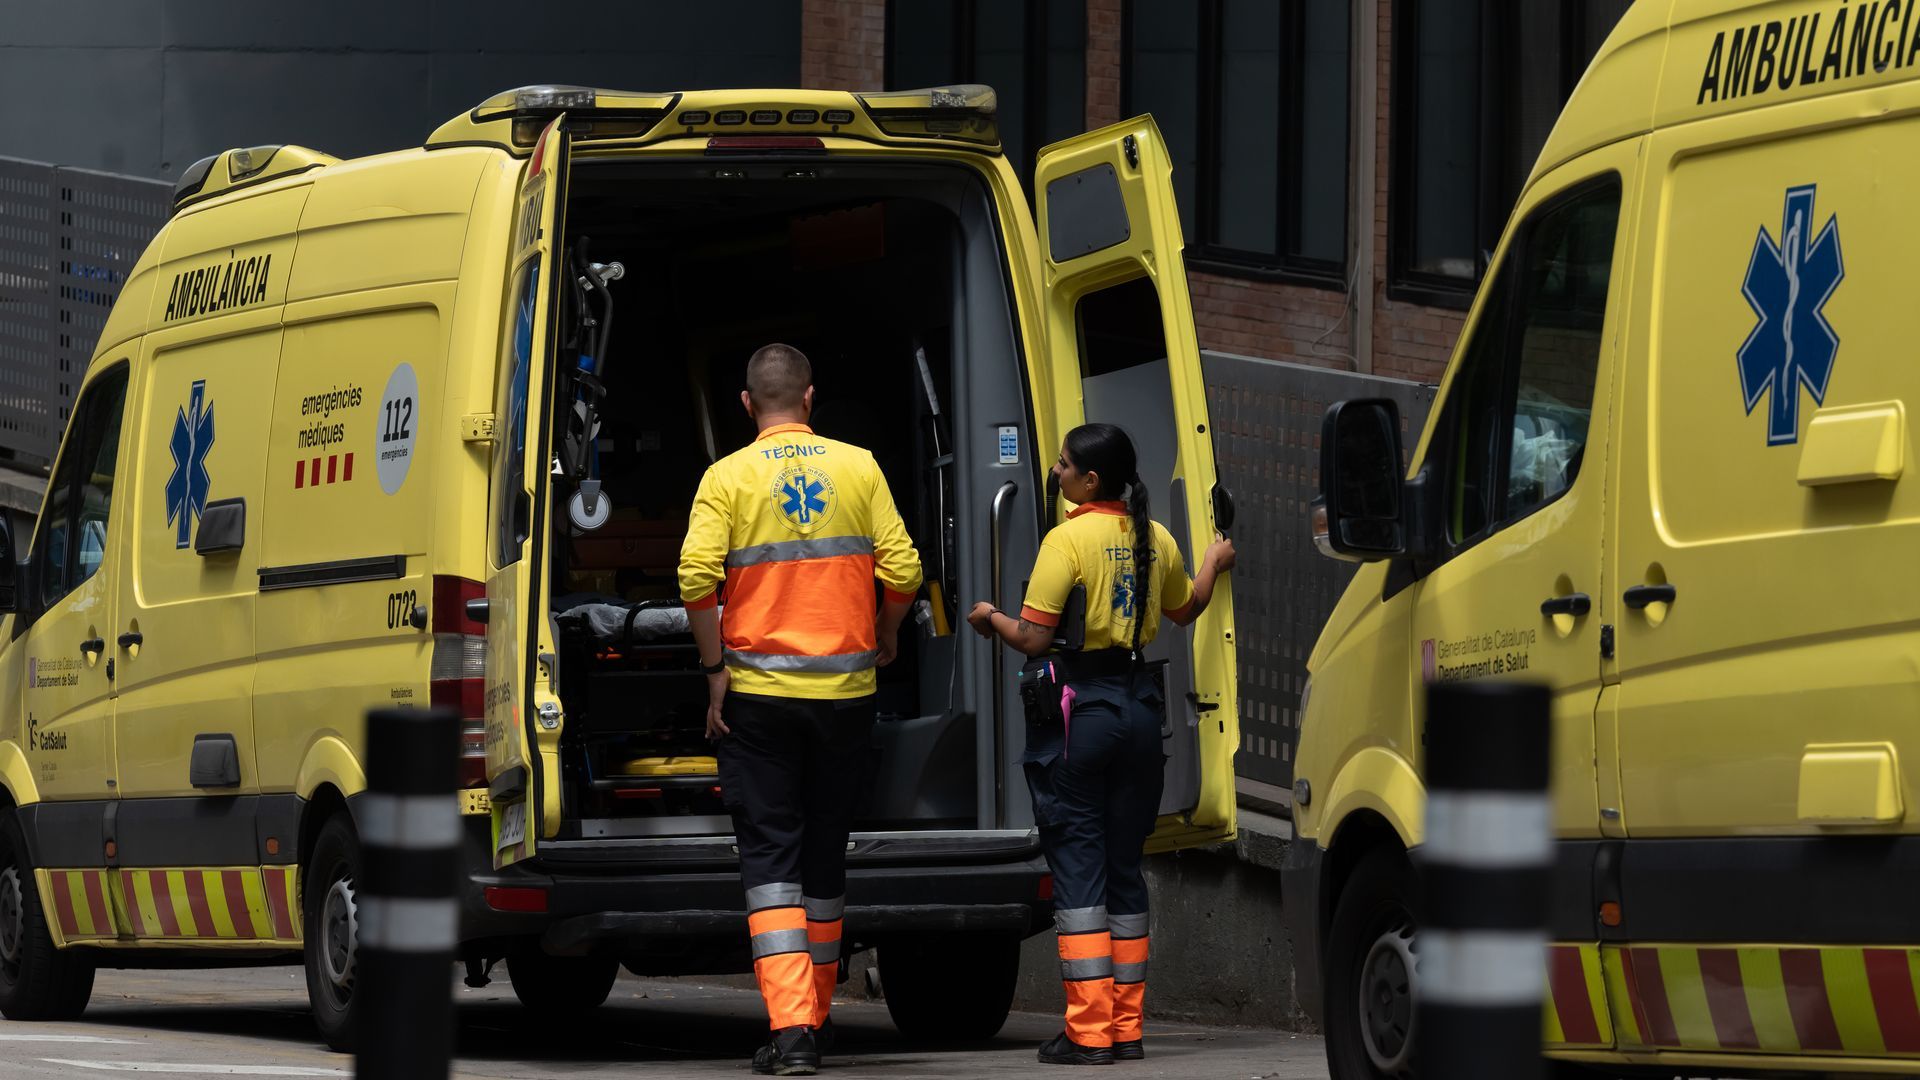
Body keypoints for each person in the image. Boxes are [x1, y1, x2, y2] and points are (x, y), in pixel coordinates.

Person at [679, 343, 923, 1076]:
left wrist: (715, 672)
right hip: (846, 699)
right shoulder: (860, 466)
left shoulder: (726, 477)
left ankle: (792, 1032)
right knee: (823, 856)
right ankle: (814, 1017)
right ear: (810, 397)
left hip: (758, 700)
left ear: (747, 404)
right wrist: (885, 635)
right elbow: (904, 569)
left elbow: (695, 578)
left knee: (771, 859)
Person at [967, 423, 1235, 1067]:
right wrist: (1214, 562)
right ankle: (1126, 1028)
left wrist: (988, 618)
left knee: (1080, 871)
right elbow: (1186, 609)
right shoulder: (1156, 536)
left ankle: (1089, 1034)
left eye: (1063, 466)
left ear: (1090, 481)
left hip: (1080, 714)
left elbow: (1033, 638)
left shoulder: (1066, 540)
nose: (1055, 472)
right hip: (1139, 711)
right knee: (1124, 871)